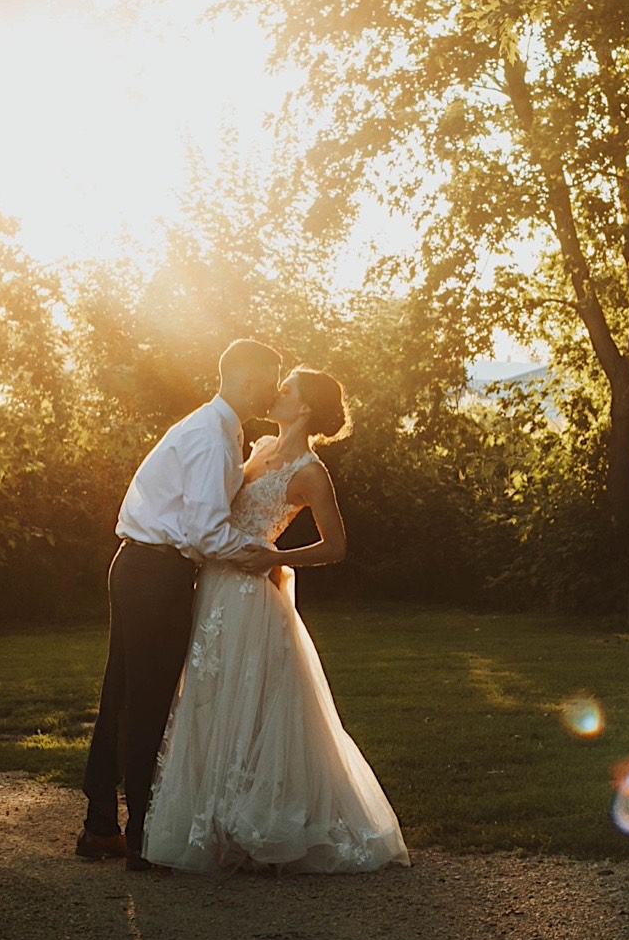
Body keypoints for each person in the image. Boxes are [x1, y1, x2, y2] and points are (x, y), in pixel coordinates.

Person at [143, 368, 410, 873]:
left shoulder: (310, 471)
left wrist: (274, 558)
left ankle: (256, 826)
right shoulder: (261, 445)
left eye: (285, 388)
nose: (275, 391)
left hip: (250, 591)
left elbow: (336, 546)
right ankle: (214, 821)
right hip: (216, 584)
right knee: (209, 696)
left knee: (250, 703)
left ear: (305, 407)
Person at [76, 339, 284, 871]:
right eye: (269, 378)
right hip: (156, 574)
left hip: (139, 565)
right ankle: (144, 837)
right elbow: (208, 531)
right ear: (243, 380)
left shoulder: (218, 429)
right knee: (148, 701)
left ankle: (100, 826)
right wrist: (261, 555)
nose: (275, 389)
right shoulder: (213, 437)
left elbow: (207, 502)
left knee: (122, 693)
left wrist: (251, 466)